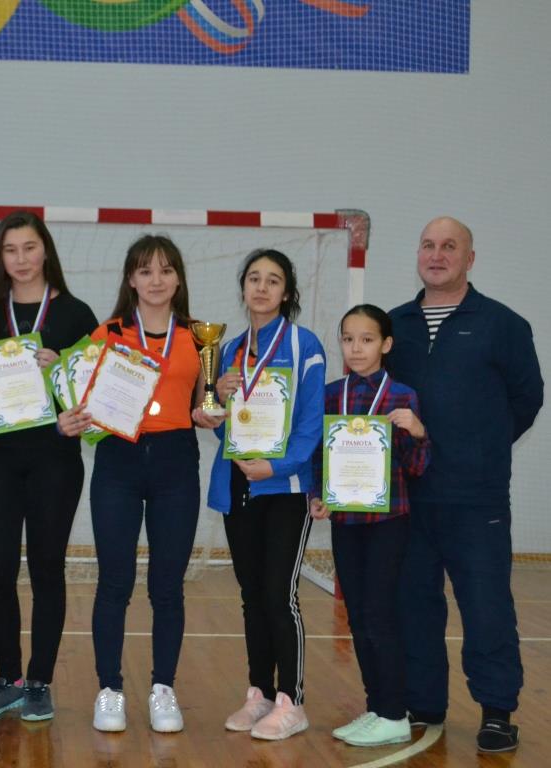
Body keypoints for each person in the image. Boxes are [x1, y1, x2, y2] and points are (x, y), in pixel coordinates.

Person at [388, 216, 543, 753]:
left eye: (449, 246)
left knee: (486, 606)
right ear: (418, 254)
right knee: (414, 604)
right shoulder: (394, 324)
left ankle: (497, 711)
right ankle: (424, 704)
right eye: (428, 245)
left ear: (469, 259)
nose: (437, 255)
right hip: (408, 495)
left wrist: (482, 446)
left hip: (476, 498)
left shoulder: (503, 324)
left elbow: (527, 399)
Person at [59, 234, 203, 734]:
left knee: (167, 585)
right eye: (145, 271)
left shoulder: (199, 337)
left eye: (165, 270)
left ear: (178, 278)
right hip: (118, 464)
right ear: (131, 280)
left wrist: (215, 410)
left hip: (176, 465)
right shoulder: (106, 333)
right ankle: (110, 689)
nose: (156, 280)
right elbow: (75, 399)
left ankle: (163, 688)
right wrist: (67, 420)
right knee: (114, 581)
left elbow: (204, 407)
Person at [0, 211, 97, 722]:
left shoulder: (77, 314)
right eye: (10, 250)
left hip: (55, 461)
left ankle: (39, 681)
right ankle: (8, 678)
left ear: (46, 251)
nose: (21, 259)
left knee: (47, 569)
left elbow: (92, 396)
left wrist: (61, 370)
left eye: (29, 247)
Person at [199, 248, 325, 741]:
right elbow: (221, 429)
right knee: (252, 596)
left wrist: (278, 465)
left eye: (273, 280)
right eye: (254, 278)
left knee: (279, 594)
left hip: (285, 487)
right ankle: (260, 693)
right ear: (244, 288)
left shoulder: (304, 344)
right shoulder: (228, 349)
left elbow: (312, 421)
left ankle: (292, 701)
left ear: (286, 292)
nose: (262, 287)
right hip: (239, 485)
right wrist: (219, 399)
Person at [308, 304, 430, 747]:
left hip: (387, 522)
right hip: (346, 522)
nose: (356, 348)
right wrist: (317, 495)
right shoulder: (330, 395)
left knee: (379, 614)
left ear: (386, 344)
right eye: (348, 339)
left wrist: (417, 432)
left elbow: (416, 468)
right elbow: (319, 457)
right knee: (357, 615)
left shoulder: (402, 395)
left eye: (367, 339)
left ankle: (395, 713)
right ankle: (377, 707)